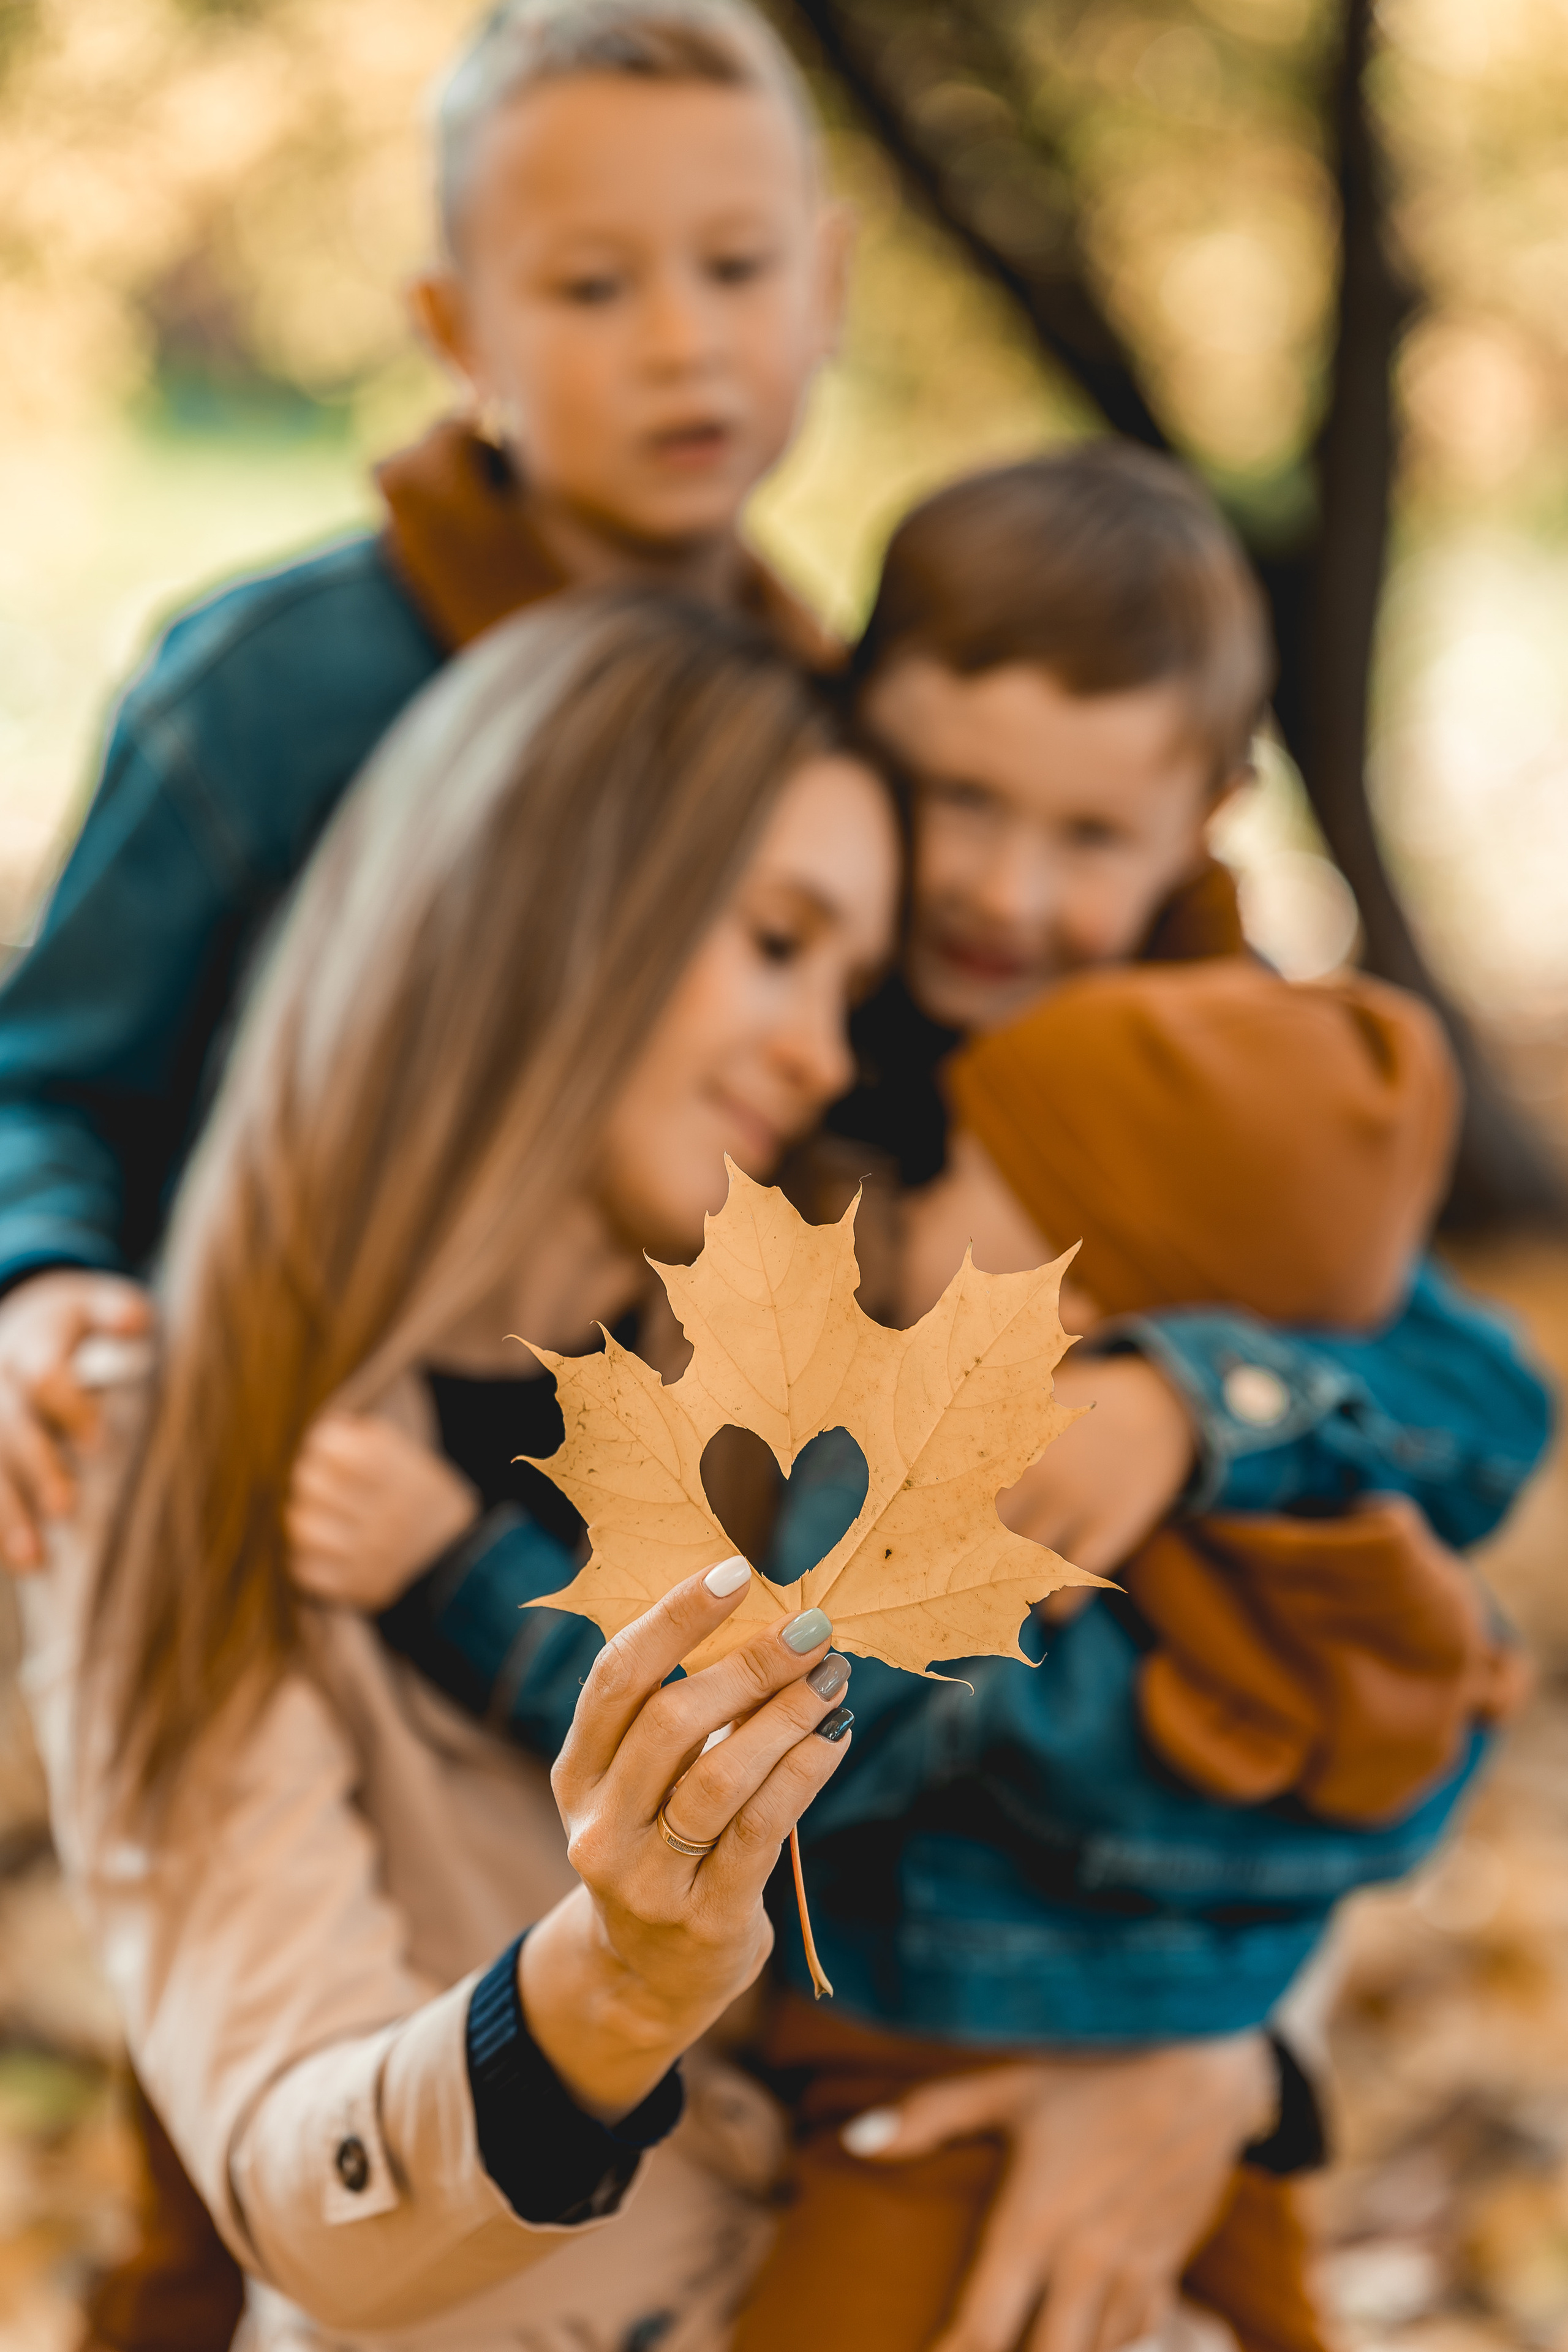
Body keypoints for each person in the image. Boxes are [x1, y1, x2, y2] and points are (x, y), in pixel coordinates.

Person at [310, 448, 1550, 2352]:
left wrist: (1184, 1398)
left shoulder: (1202, 1068)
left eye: (1085, 836)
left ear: (1207, 817)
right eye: (951, 795)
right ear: (858, 729)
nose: (999, 885)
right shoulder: (778, 1012)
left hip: (983, 1926)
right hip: (721, 1973)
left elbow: (1470, 1397)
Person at [21, 590, 899, 2351]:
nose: (821, 1053)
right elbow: (295, 2170)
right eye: (779, 941)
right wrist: (613, 1989)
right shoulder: (155, 1435)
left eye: (855, 987)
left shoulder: (824, 1366)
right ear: (558, 901)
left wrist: (1209, 2067)